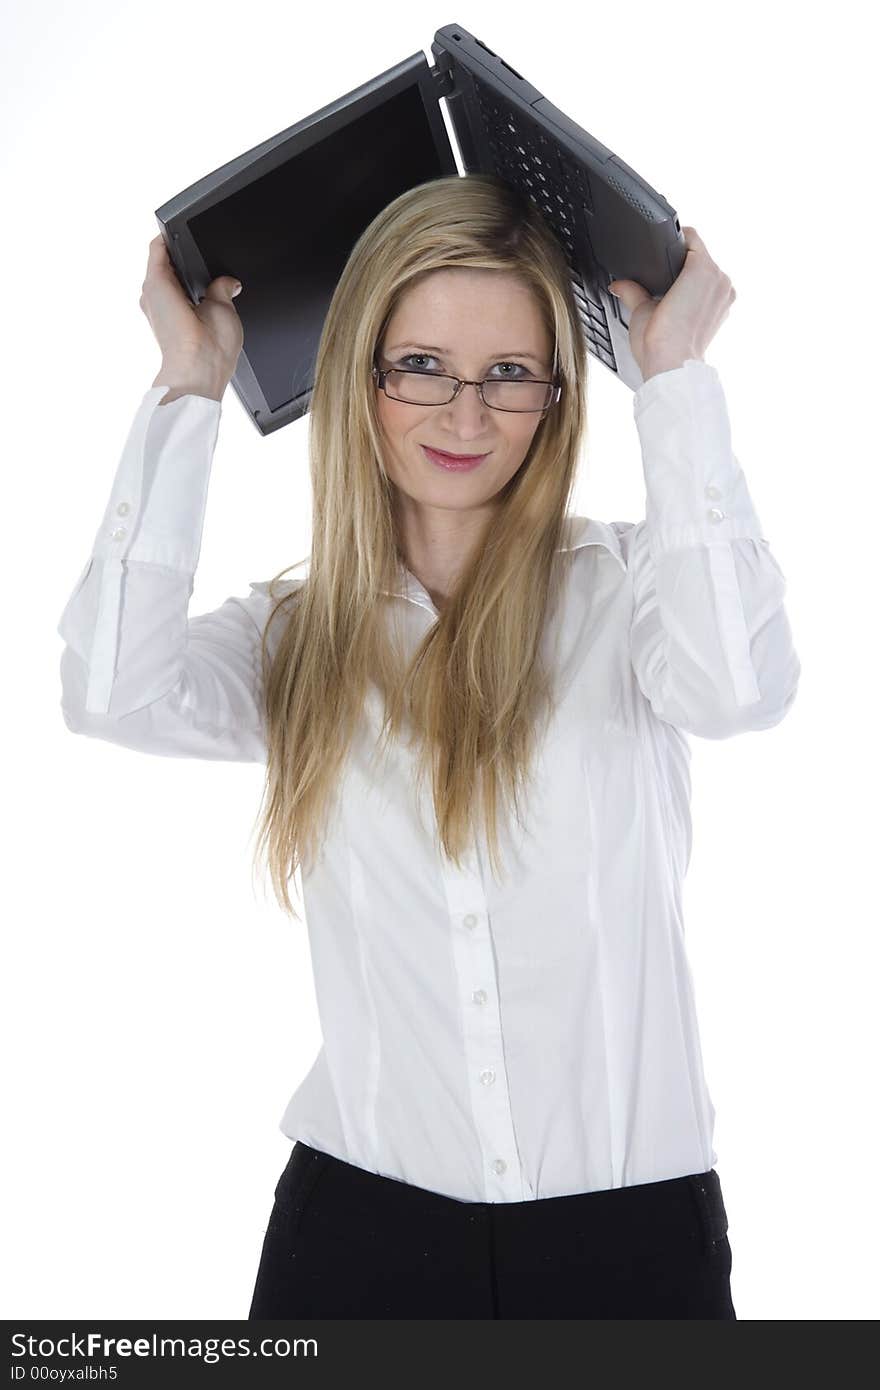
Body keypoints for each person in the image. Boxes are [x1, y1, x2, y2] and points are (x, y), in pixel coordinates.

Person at [56, 174, 800, 1319]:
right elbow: (111, 689)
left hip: (631, 1245)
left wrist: (676, 379)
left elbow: (741, 690)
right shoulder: (296, 639)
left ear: (556, 394)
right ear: (361, 373)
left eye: (508, 373)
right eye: (421, 366)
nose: (464, 416)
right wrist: (189, 385)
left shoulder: (639, 591)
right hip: (357, 1238)